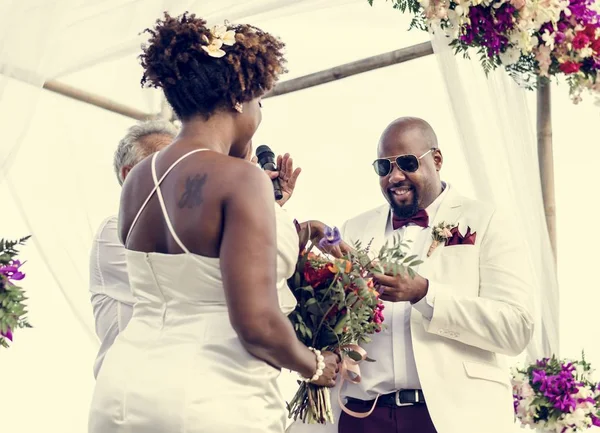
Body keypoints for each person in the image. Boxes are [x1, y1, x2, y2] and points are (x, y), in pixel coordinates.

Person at [88, 12, 342, 433]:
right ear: (240, 97)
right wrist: (315, 365)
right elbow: (257, 324)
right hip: (209, 396)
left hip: (122, 392)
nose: (260, 114)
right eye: (260, 101)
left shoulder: (138, 180)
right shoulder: (241, 181)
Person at [291, 117, 535, 433]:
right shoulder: (354, 229)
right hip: (361, 416)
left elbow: (515, 328)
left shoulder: (487, 220)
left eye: (407, 163)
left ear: (436, 160)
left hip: (450, 417)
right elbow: (333, 320)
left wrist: (424, 294)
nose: (395, 176)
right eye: (383, 167)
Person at [89, 119, 177, 379]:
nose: (180, 171)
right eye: (165, 162)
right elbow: (183, 285)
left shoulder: (189, 231)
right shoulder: (113, 232)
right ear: (130, 175)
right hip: (130, 394)